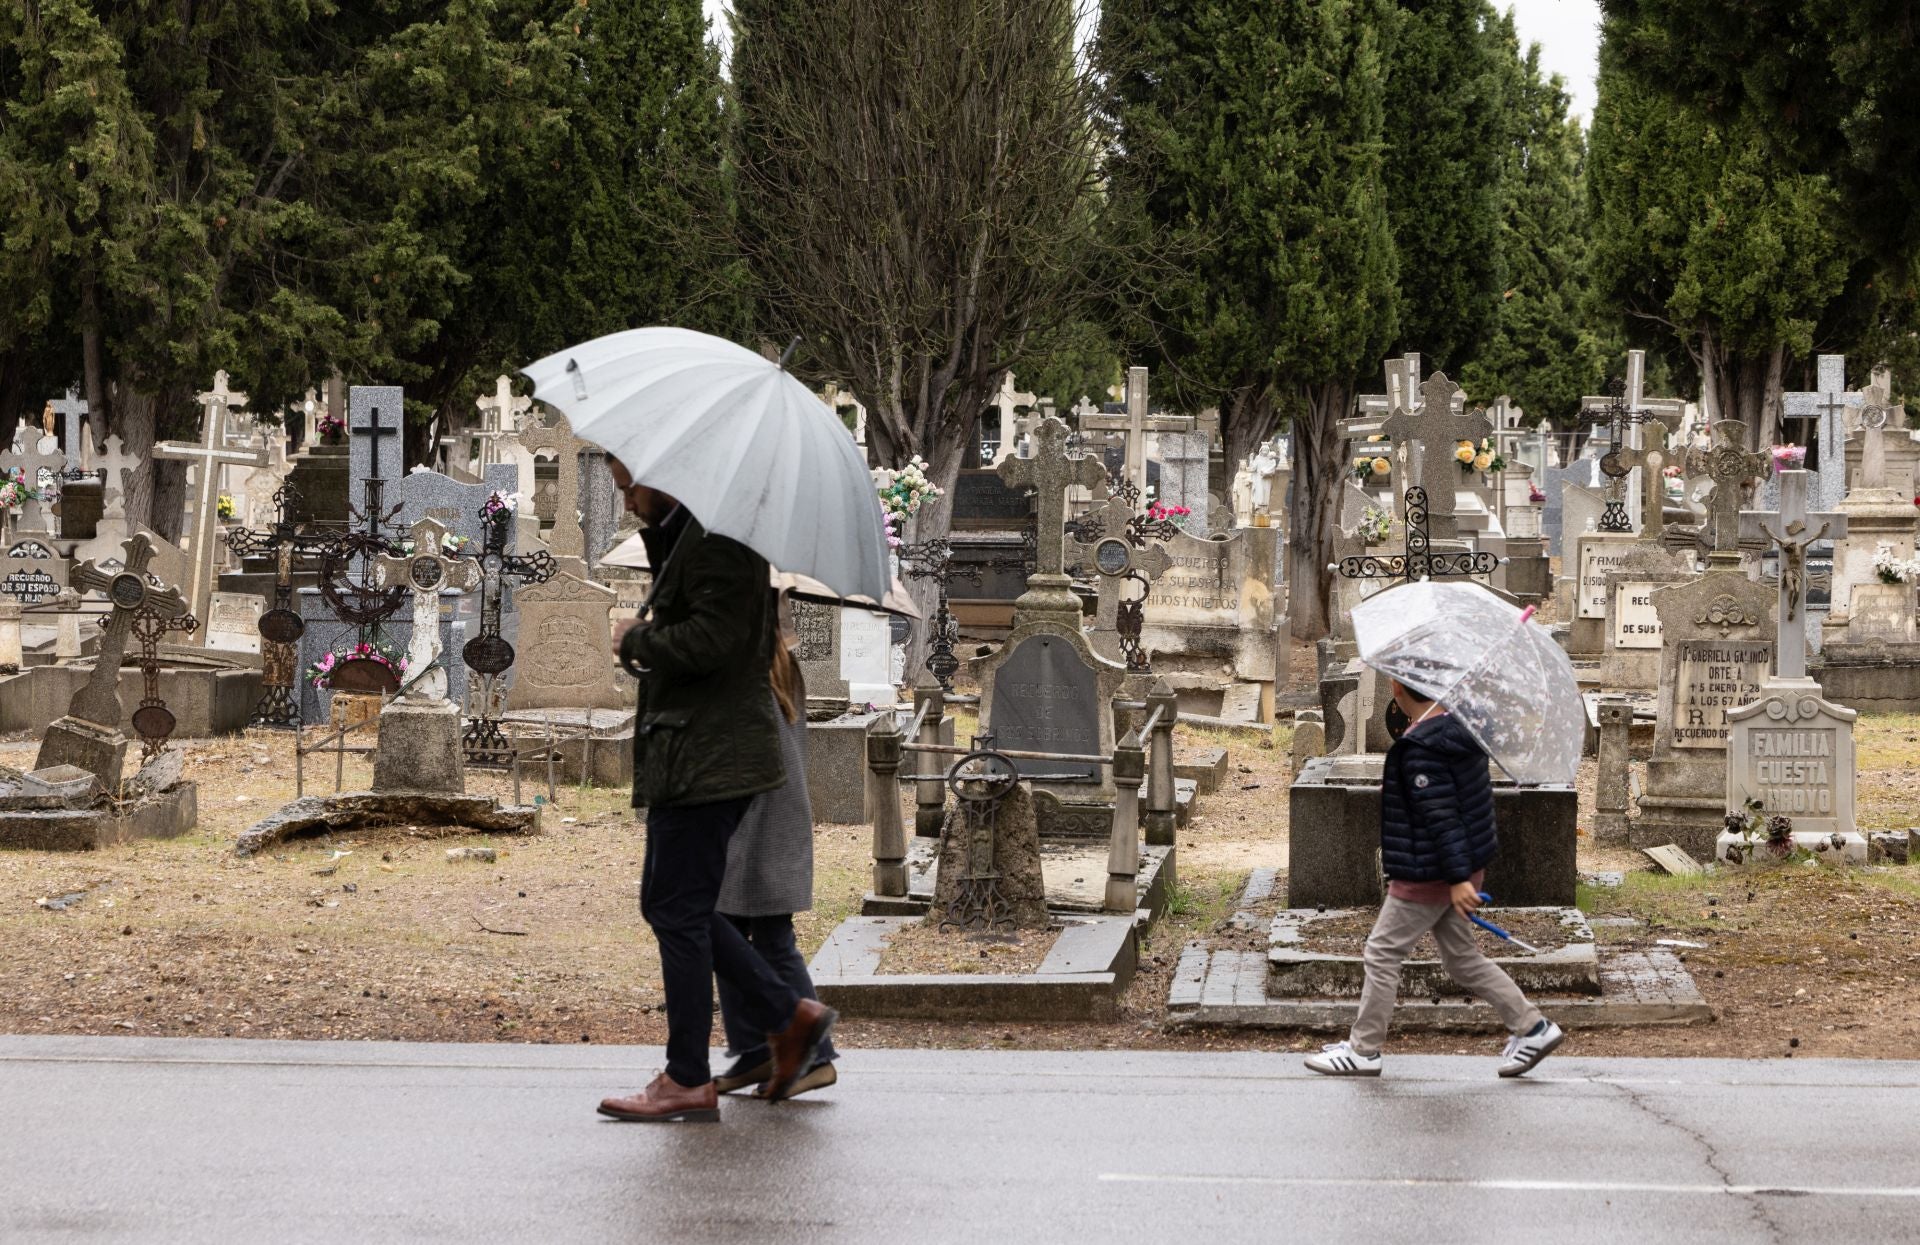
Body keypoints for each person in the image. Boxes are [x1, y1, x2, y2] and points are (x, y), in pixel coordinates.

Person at [597, 463, 836, 1122]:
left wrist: (636, 638)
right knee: (676, 906)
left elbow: (713, 641)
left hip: (709, 755)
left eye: (629, 485)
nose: (627, 500)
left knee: (678, 909)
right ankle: (786, 1018)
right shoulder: (691, 535)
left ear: (665, 475)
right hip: (690, 751)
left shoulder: (721, 540)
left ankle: (690, 1074)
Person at [1306, 679, 1564, 1079]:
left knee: (1382, 951)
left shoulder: (1424, 746)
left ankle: (1363, 1049)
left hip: (1430, 870)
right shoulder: (1458, 729)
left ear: (1396, 688)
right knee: (1462, 960)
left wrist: (1457, 879)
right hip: (1456, 866)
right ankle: (1533, 1027)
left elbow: (1442, 818)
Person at [712, 592, 838, 1101]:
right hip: (768, 816)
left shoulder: (755, 670)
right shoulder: (775, 662)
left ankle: (816, 1055)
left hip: (757, 817)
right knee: (739, 930)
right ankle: (754, 1050)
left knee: (754, 934)